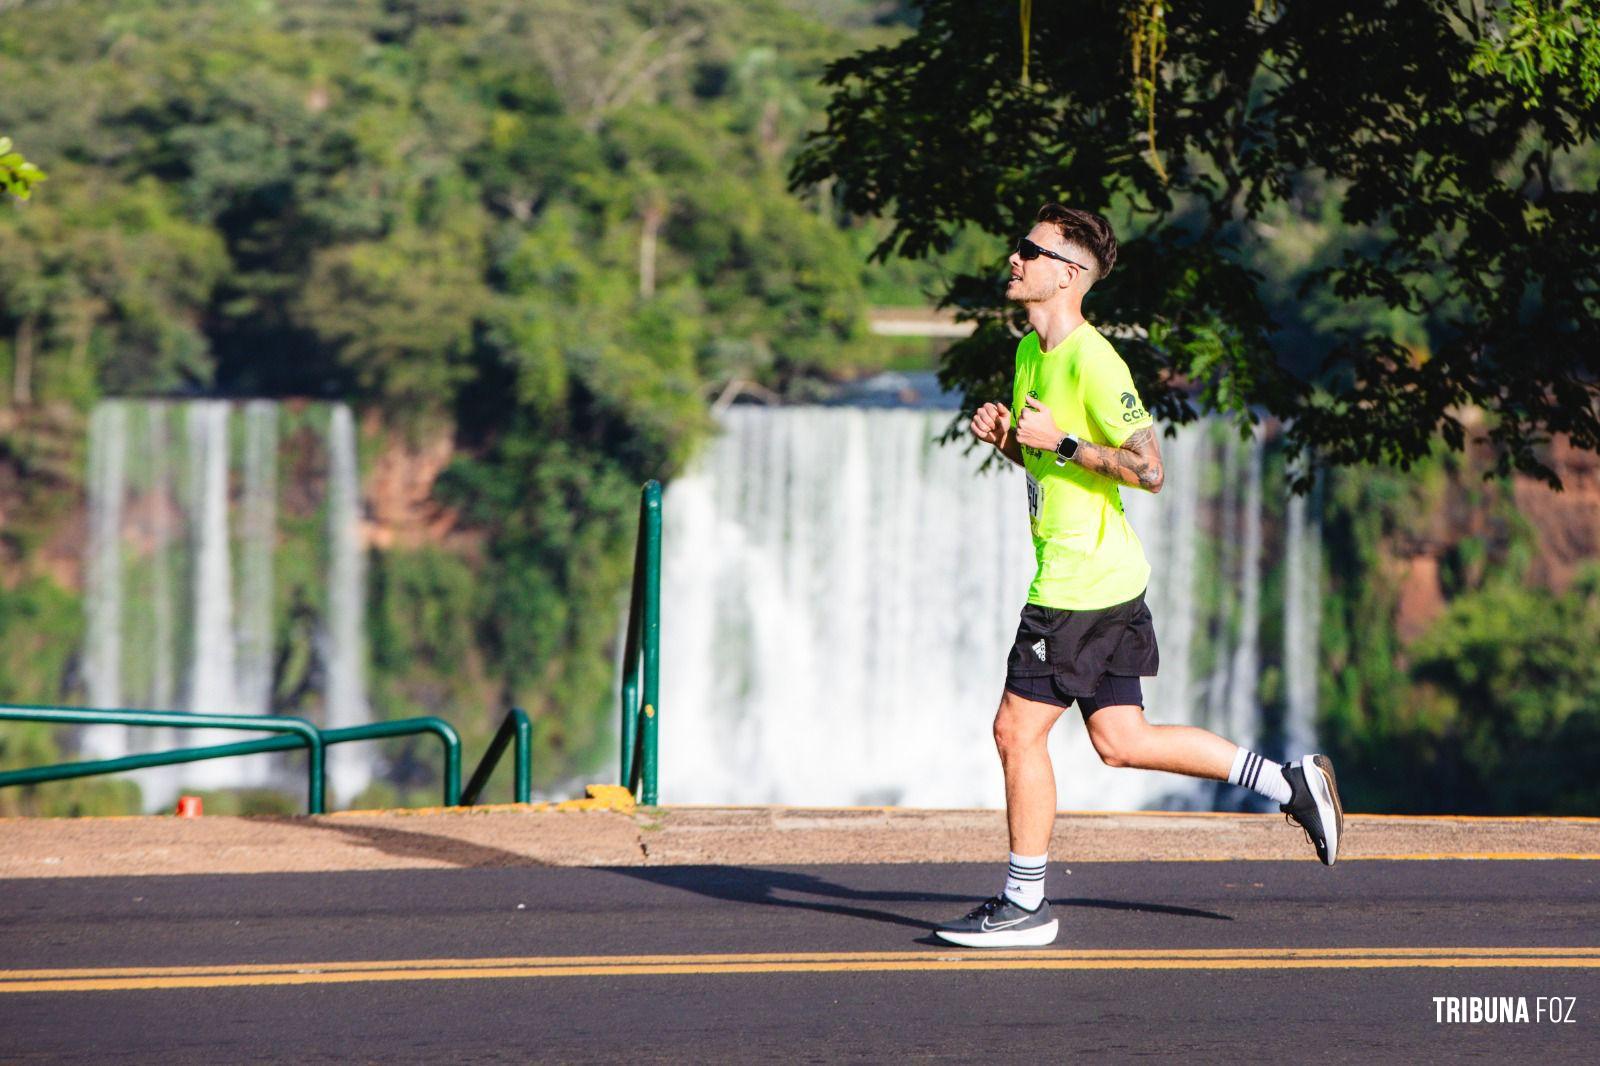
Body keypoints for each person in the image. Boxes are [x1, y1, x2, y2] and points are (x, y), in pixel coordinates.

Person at [934, 204, 1344, 948]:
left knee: (1014, 732)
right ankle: (1289, 784)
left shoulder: (1095, 360)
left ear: (1069, 273)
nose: (1014, 258)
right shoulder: (1031, 352)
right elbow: (1052, 466)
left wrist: (1057, 439)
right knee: (1122, 739)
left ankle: (1025, 904)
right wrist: (1010, 443)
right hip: (1101, 578)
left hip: (1077, 588)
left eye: (1030, 250)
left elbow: (1149, 468)